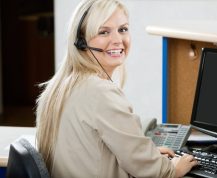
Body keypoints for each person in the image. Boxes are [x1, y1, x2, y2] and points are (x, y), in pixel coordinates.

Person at [35, 0, 198, 177]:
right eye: (104, 32)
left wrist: (148, 156)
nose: (118, 40)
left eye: (123, 29)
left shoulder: (60, 86)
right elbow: (156, 173)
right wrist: (171, 169)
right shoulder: (99, 92)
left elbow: (93, 152)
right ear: (81, 42)